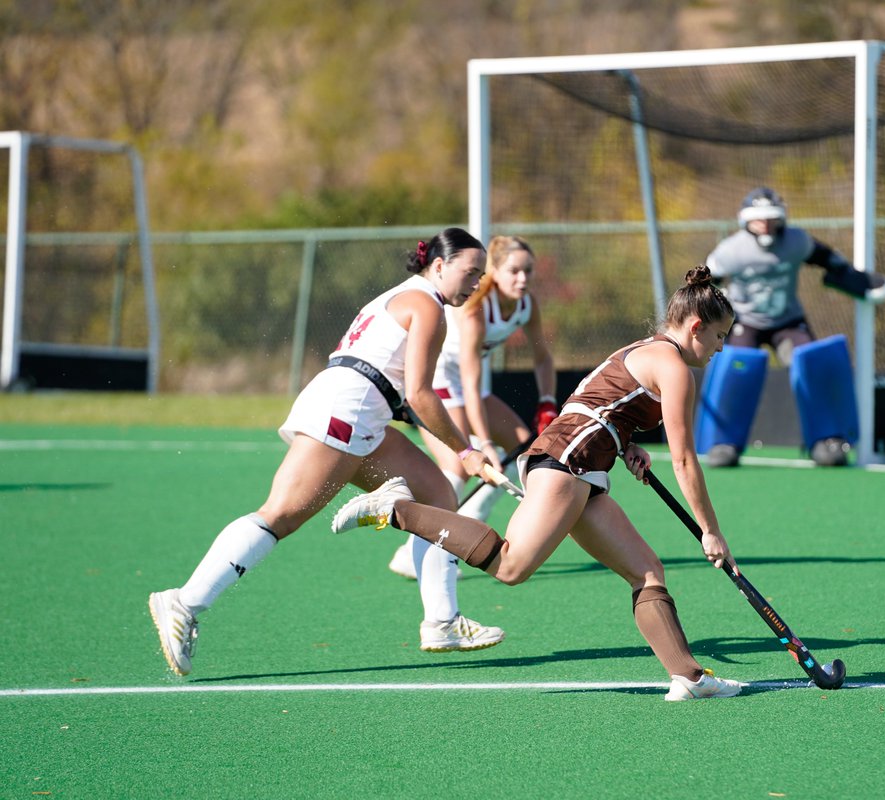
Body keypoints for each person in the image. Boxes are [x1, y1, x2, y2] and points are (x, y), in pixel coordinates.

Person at [332, 266, 746, 702]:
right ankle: (398, 508)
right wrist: (710, 531)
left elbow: (593, 403)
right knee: (510, 567)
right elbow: (683, 459)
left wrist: (624, 445)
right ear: (696, 327)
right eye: (719, 336)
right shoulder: (675, 368)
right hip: (569, 461)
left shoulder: (643, 350)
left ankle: (689, 678)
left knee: (646, 571)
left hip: (577, 461)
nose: (721, 347)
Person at [148, 227, 507, 677]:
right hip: (348, 411)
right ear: (439, 266)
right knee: (281, 514)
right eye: (470, 273)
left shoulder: (406, 296)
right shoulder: (428, 308)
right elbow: (419, 394)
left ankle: (442, 621)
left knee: (438, 497)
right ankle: (184, 602)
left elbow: (402, 391)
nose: (477, 284)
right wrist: (468, 453)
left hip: (362, 412)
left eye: (481, 275)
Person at [389, 235, 558, 579]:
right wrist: (483, 443)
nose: (522, 279)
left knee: (523, 447)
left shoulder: (527, 305)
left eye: (528, 271)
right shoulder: (476, 307)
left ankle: (462, 534)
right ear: (493, 271)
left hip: (466, 384)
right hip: (436, 379)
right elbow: (469, 378)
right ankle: (414, 553)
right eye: (514, 271)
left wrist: (547, 402)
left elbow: (543, 359)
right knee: (459, 465)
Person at [705, 186, 885, 467]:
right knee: (736, 370)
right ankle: (724, 442)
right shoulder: (731, 251)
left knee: (810, 366)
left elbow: (826, 257)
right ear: (745, 221)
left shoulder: (796, 241)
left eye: (771, 218)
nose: (765, 225)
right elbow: (705, 284)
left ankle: (825, 440)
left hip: (787, 322)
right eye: (759, 219)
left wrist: (853, 277)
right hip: (745, 322)